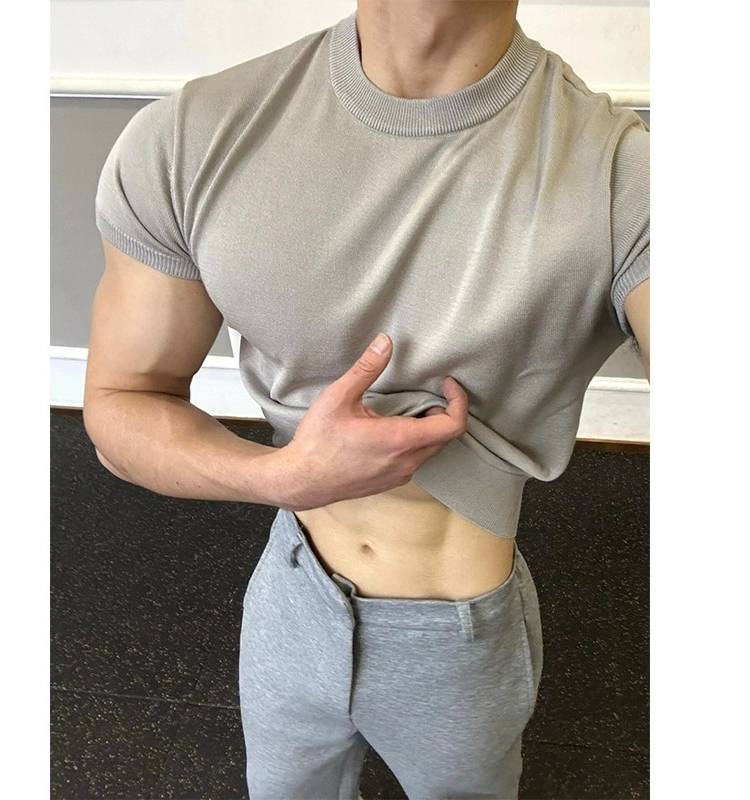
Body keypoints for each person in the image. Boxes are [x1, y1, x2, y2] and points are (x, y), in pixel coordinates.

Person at [84, 0, 649, 796]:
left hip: (456, 639)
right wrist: (280, 477)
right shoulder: (189, 136)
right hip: (291, 592)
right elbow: (120, 404)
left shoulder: (625, 176)